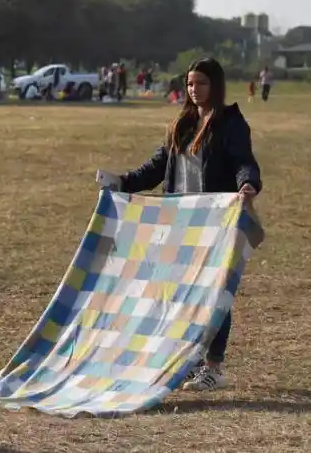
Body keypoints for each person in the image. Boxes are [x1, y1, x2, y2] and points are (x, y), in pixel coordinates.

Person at [110, 57, 261, 392]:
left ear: (216, 85)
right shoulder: (183, 123)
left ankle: (214, 368)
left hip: (216, 223)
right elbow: (156, 167)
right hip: (181, 224)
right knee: (183, 295)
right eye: (191, 83)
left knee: (215, 294)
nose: (194, 90)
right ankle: (191, 361)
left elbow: (243, 162)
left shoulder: (230, 123)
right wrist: (122, 182)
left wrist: (247, 184)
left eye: (202, 83)